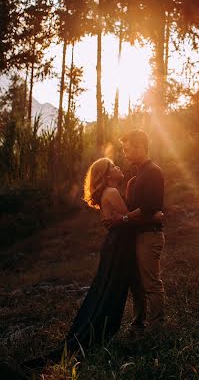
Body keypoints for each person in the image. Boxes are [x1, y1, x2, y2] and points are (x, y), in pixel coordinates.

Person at [24, 157, 162, 369]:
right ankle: (100, 331)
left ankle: (130, 325)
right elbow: (130, 220)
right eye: (113, 166)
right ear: (106, 175)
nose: (118, 167)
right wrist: (156, 217)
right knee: (110, 291)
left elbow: (124, 218)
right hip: (119, 246)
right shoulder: (112, 192)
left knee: (110, 288)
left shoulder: (111, 191)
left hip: (117, 244)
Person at [103, 129, 165, 335]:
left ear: (140, 146)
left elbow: (151, 207)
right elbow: (136, 209)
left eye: (128, 149)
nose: (125, 153)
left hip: (149, 235)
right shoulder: (136, 177)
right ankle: (138, 323)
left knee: (151, 284)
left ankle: (156, 328)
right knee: (137, 285)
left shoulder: (153, 172)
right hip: (138, 236)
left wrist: (124, 218)